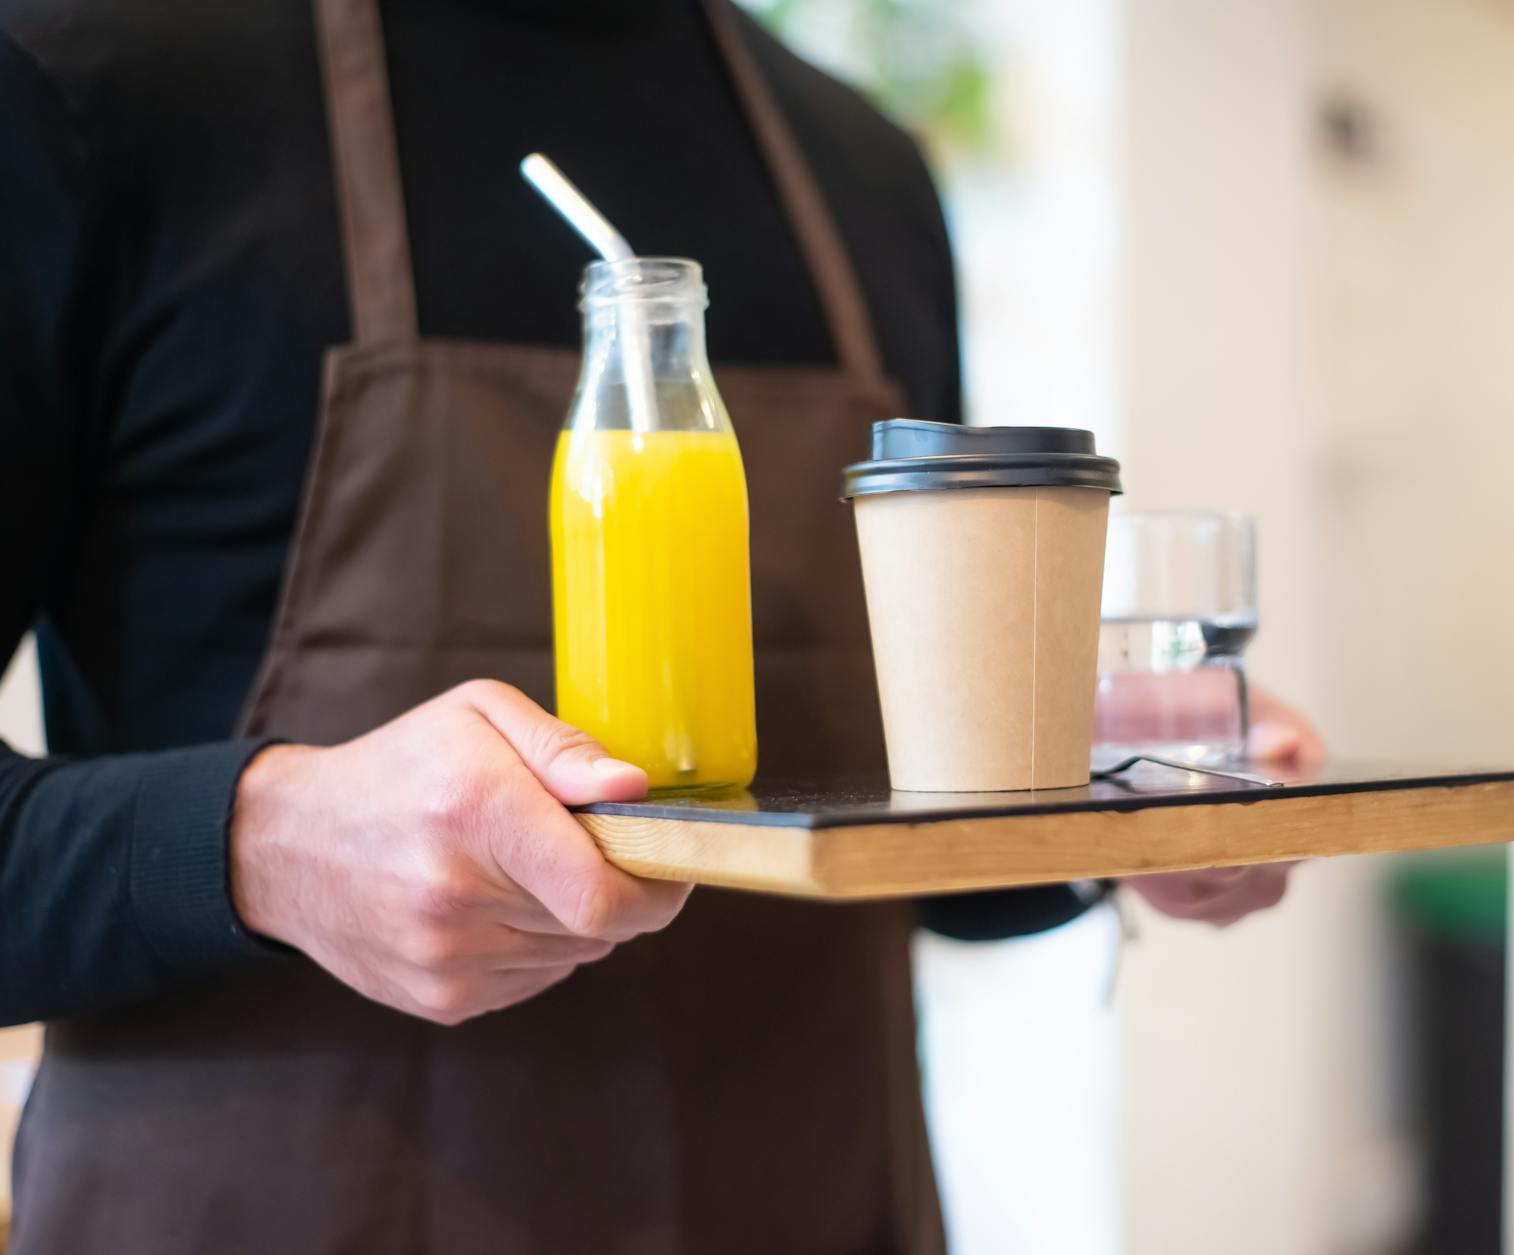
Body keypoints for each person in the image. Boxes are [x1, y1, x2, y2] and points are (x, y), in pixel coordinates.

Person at [0, 0, 1324, 1250]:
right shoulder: (87, 81)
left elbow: (895, 841)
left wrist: (1103, 794)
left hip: (814, 1206)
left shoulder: (861, 172)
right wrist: (256, 843)